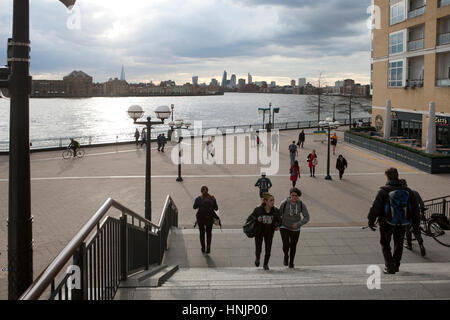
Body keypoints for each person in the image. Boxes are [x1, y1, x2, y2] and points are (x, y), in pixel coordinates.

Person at [367, 168, 419, 274]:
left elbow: (375, 208)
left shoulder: (383, 191)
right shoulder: (408, 191)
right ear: (397, 176)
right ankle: (396, 265)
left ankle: (389, 266)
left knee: (385, 243)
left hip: (386, 222)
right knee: (399, 243)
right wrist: (416, 224)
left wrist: (371, 221)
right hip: (402, 222)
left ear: (387, 177)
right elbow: (415, 209)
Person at [279, 188, 310, 268]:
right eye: (292, 195)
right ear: (290, 195)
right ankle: (286, 255)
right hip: (284, 226)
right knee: (285, 245)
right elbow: (278, 215)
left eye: (296, 196)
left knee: (293, 246)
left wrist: (298, 224)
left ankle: (291, 263)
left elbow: (307, 217)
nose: (294, 197)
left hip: (296, 228)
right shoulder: (284, 203)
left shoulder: (301, 204)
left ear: (298, 196)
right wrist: (277, 225)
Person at [249, 193, 281, 270]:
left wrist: (277, 226)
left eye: (273, 200)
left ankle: (265, 264)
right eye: (271, 200)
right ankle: (257, 258)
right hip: (259, 232)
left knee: (268, 249)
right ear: (265, 201)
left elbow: (279, 220)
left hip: (269, 233)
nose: (273, 202)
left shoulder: (275, 210)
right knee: (258, 248)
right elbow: (250, 218)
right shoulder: (258, 209)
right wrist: (257, 219)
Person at [400, 180, 426, 256]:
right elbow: (421, 203)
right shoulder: (415, 192)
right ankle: (421, 244)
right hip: (417, 215)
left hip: (407, 216)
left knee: (407, 230)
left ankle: (409, 245)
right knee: (416, 229)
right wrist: (422, 212)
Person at [193, 186, 218, 254]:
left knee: (202, 233)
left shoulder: (199, 198)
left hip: (201, 219)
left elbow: (194, 207)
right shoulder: (212, 198)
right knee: (209, 233)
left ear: (201, 191)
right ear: (208, 191)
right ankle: (208, 247)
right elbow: (216, 208)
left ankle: (203, 248)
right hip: (209, 218)